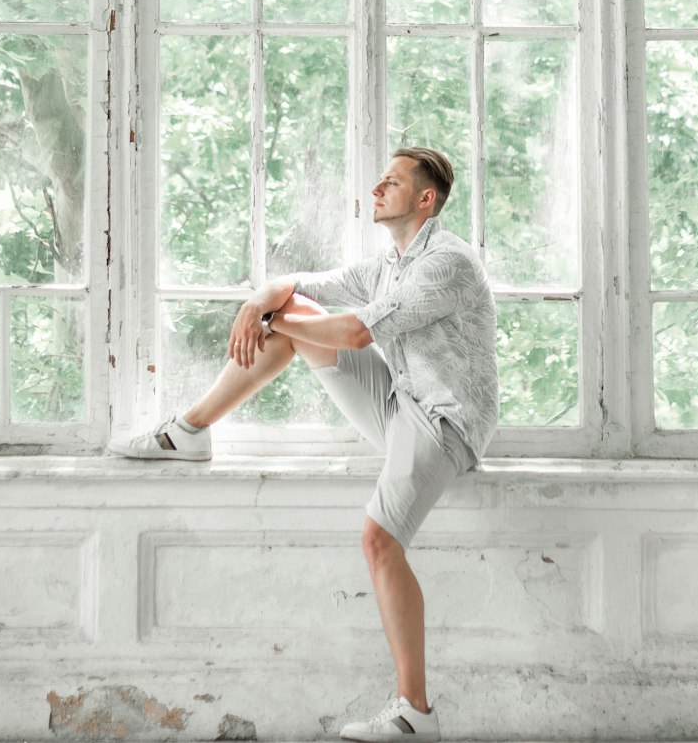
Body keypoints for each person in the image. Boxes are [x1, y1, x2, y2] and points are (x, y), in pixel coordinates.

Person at [109, 146, 499, 743]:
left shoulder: (446, 262)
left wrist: (270, 321)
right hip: (400, 403)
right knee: (294, 306)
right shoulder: (390, 262)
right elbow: (306, 285)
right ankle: (188, 432)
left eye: (390, 183)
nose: (375, 191)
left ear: (425, 199)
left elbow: (358, 330)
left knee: (378, 540)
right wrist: (260, 301)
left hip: (444, 420)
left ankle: (416, 714)